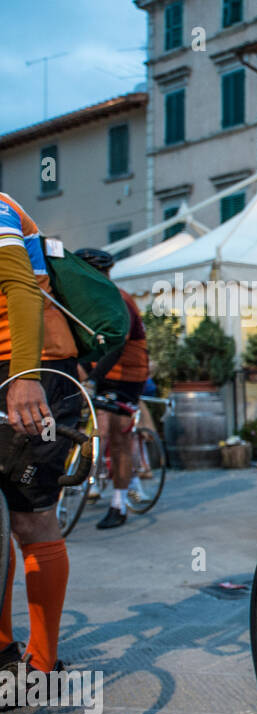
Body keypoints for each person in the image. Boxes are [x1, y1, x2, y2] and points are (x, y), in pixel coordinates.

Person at [0, 191, 79, 682]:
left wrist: (25, 377)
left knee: (30, 518)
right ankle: (4, 650)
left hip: (35, 367)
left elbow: (22, 287)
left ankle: (43, 662)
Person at [73, 248, 150, 529]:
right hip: (103, 370)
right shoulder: (89, 299)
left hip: (128, 374)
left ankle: (119, 503)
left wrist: (91, 377)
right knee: (97, 430)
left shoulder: (119, 301)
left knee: (118, 436)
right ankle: (92, 482)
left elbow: (116, 346)